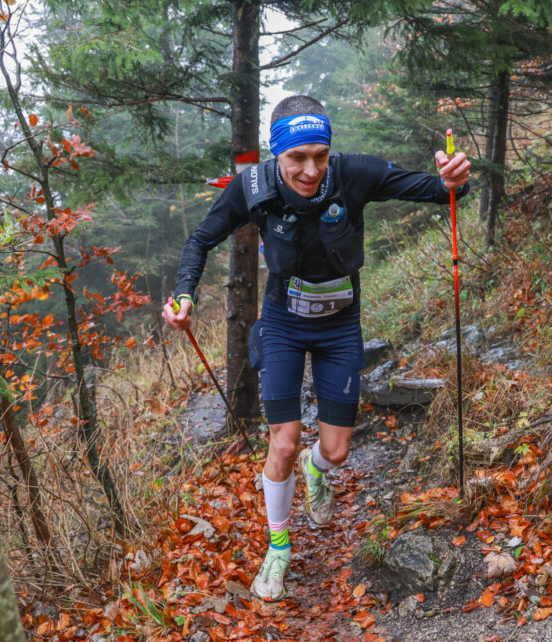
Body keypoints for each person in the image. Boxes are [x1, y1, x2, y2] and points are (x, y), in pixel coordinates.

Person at [162, 95, 470, 601]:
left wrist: (455, 176)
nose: (310, 170)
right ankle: (278, 549)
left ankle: (316, 470)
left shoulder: (355, 175)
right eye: (297, 158)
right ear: (276, 155)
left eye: (319, 156)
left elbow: (441, 191)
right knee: (282, 441)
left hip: (339, 325)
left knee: (335, 449)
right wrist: (183, 295)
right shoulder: (252, 188)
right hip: (282, 323)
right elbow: (200, 240)